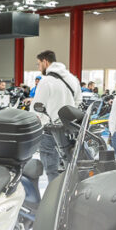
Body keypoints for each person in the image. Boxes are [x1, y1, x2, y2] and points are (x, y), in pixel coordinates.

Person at [31, 50, 82, 181]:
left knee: (51, 168)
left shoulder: (46, 81)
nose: (39, 68)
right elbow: (78, 102)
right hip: (69, 129)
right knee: (68, 165)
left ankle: (54, 191)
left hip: (50, 130)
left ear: (45, 62)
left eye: (38, 64)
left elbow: (36, 107)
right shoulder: (73, 79)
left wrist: (44, 121)